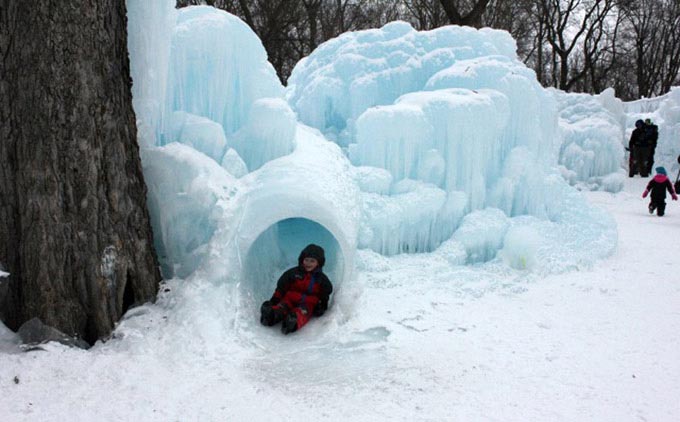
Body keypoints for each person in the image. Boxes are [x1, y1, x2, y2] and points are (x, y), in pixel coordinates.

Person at [260, 244, 333, 334]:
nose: (308, 263)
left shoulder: (321, 279)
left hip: (307, 303)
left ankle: (292, 322)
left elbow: (325, 292)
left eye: (312, 261)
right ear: (302, 259)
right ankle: (271, 315)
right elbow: (282, 286)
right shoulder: (293, 273)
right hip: (290, 298)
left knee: (302, 313)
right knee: (282, 306)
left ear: (319, 263)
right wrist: (275, 299)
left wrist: (322, 305)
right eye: (306, 260)